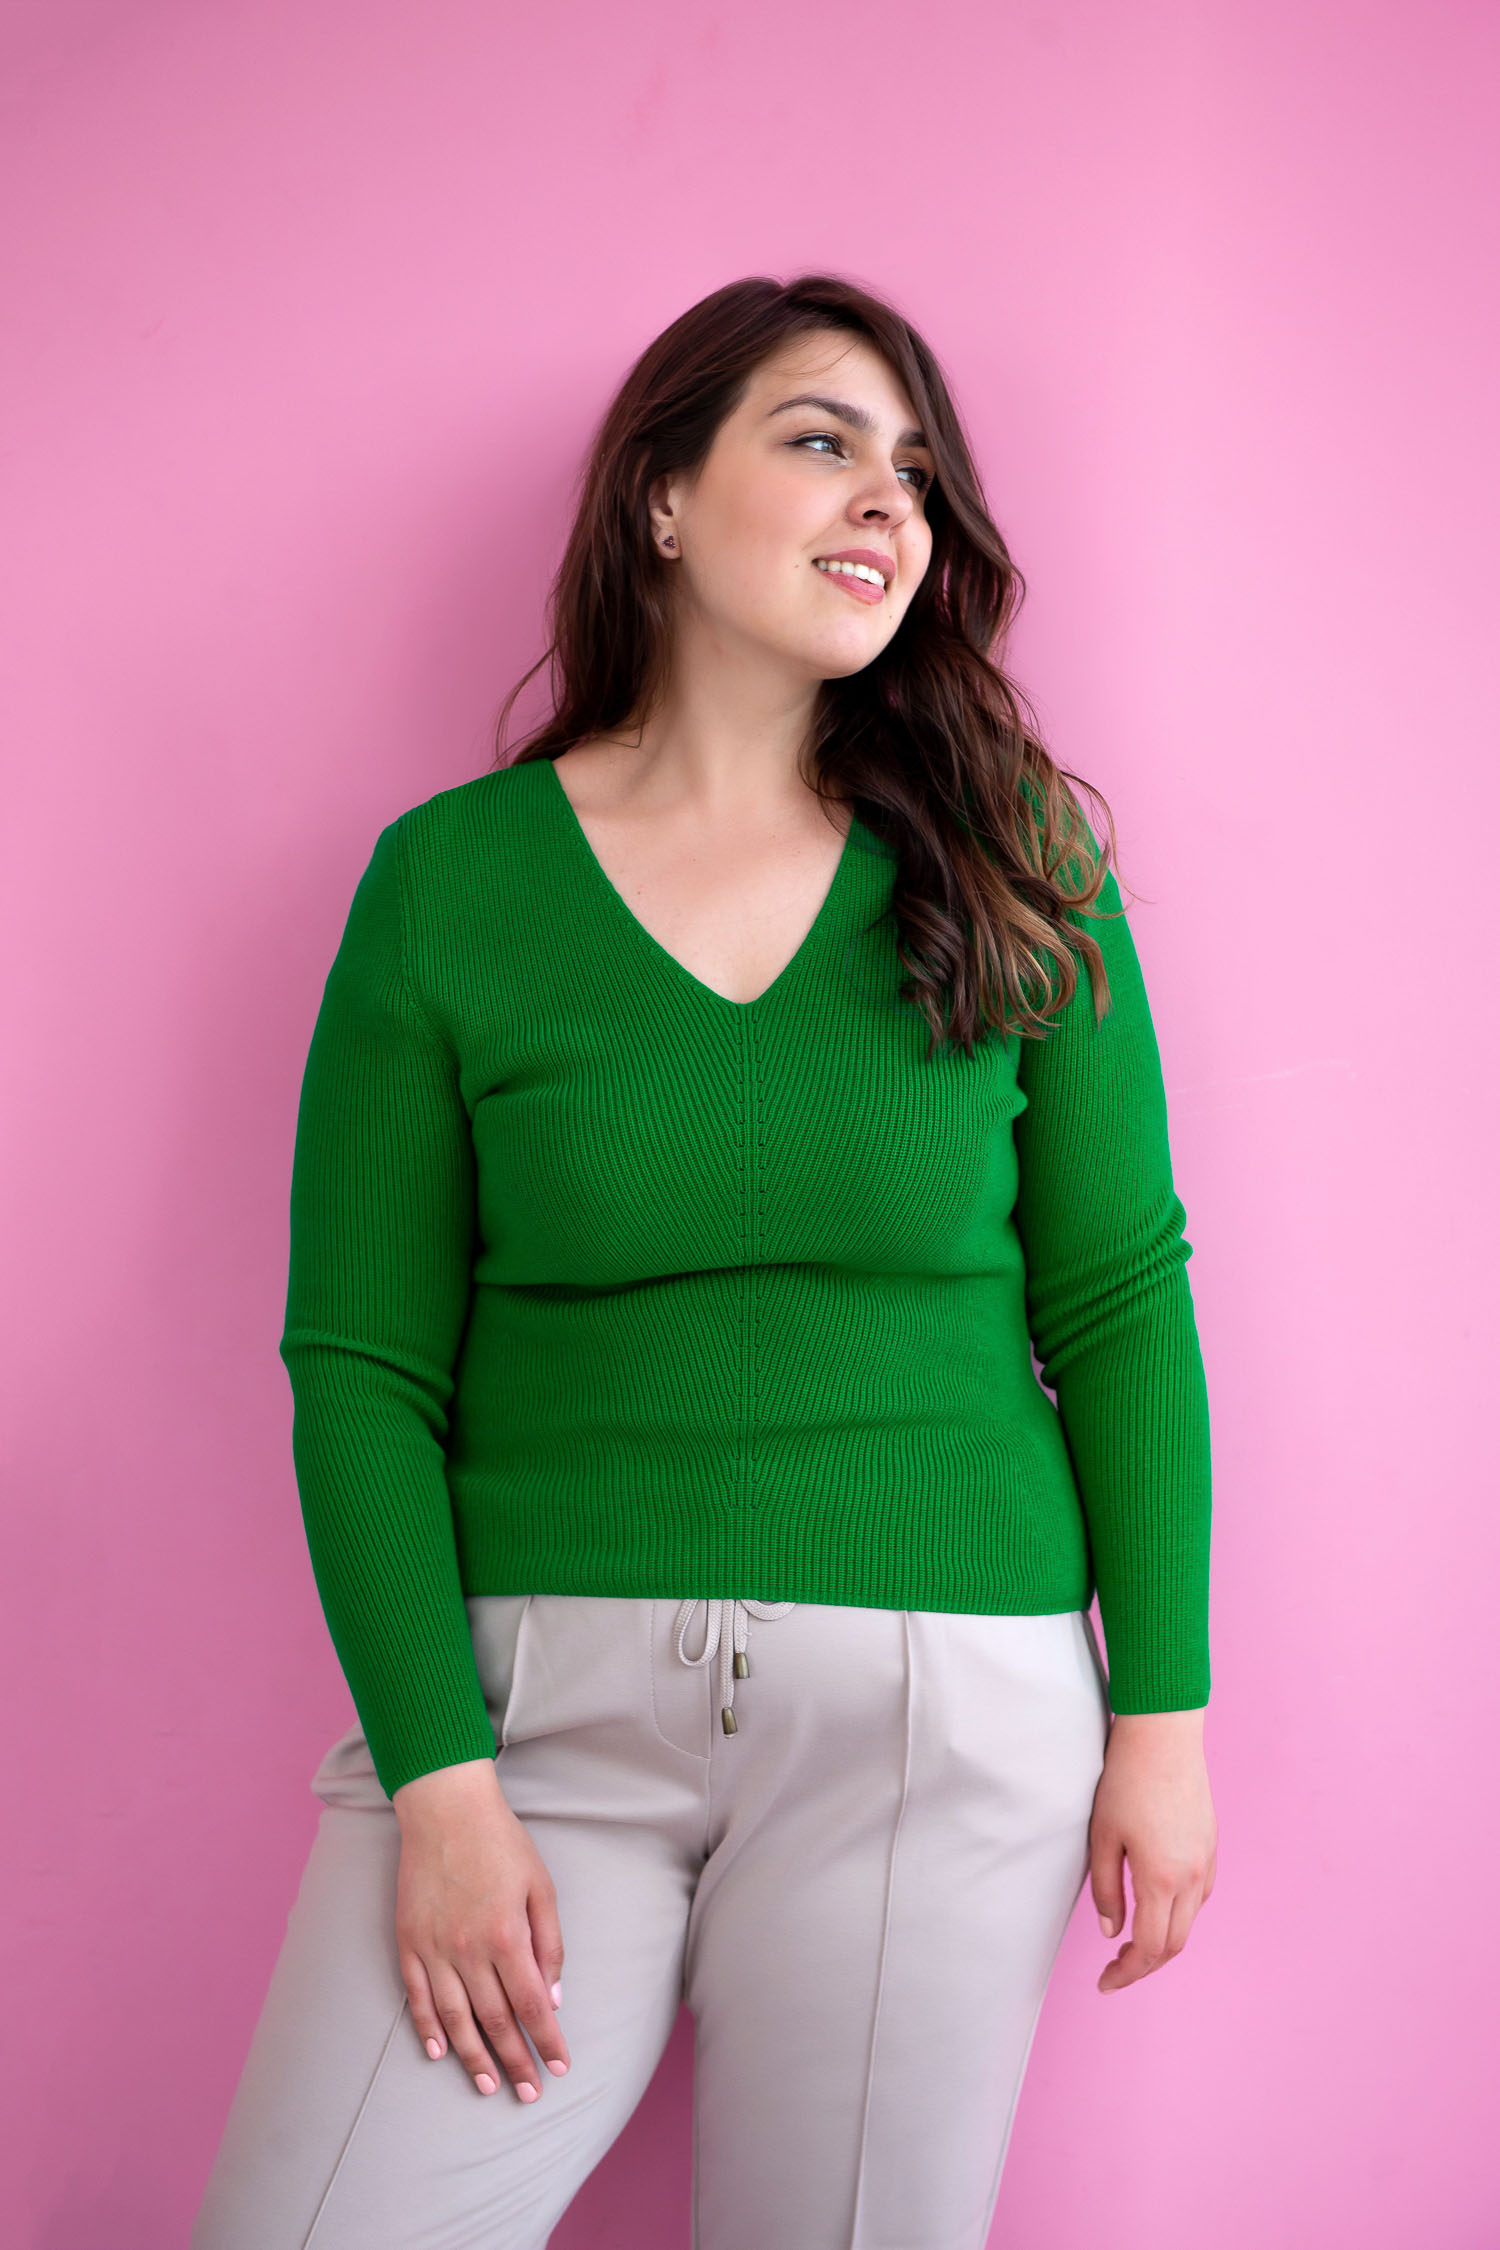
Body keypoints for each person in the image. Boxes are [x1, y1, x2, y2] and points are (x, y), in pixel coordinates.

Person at [192, 271, 1217, 2250]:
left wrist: (1160, 1718)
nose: (886, 500)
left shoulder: (1013, 855)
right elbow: (362, 1367)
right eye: (822, 441)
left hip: (943, 1718)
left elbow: (1119, 1297)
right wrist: (440, 1783)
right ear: (661, 498)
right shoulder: (449, 881)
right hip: (526, 1723)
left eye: (914, 471)